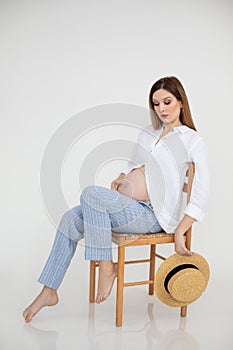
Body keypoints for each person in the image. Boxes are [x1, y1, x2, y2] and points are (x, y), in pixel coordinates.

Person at [23, 76, 210, 323]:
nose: (161, 109)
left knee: (91, 194)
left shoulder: (192, 140)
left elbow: (202, 190)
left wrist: (180, 232)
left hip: (152, 216)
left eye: (167, 102)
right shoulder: (149, 132)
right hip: (129, 207)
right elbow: (135, 162)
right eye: (156, 104)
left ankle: (107, 265)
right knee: (70, 219)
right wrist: (124, 176)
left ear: (181, 102)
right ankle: (49, 290)